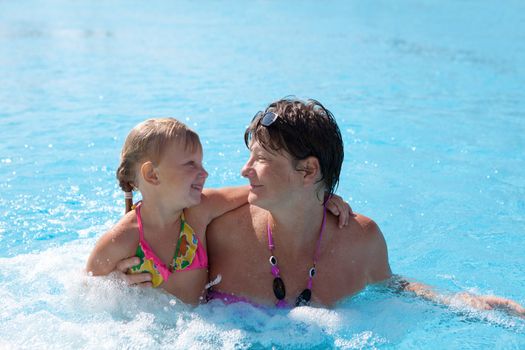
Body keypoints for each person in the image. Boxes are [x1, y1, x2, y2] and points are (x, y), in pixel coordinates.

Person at [203, 98, 524, 315]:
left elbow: (393, 287)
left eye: (260, 159)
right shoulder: (219, 231)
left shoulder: (360, 240)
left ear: (309, 170)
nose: (245, 170)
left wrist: (467, 304)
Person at [86, 117, 352, 304]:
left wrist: (318, 194)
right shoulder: (122, 240)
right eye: (190, 164)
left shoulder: (198, 213)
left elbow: (265, 191)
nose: (204, 173)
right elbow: (84, 296)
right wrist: (115, 290)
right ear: (152, 174)